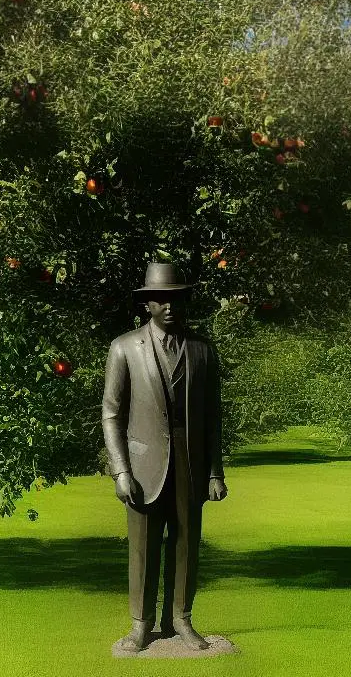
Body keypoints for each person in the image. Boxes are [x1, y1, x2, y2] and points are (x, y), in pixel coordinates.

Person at [102, 261, 227, 652]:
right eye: (160, 299)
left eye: (175, 298)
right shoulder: (124, 348)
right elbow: (111, 413)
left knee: (186, 544)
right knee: (142, 547)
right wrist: (120, 470)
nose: (169, 305)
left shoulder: (203, 351)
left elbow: (212, 419)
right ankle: (141, 624)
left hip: (190, 464)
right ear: (147, 305)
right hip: (141, 466)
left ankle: (181, 619)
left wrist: (214, 472)